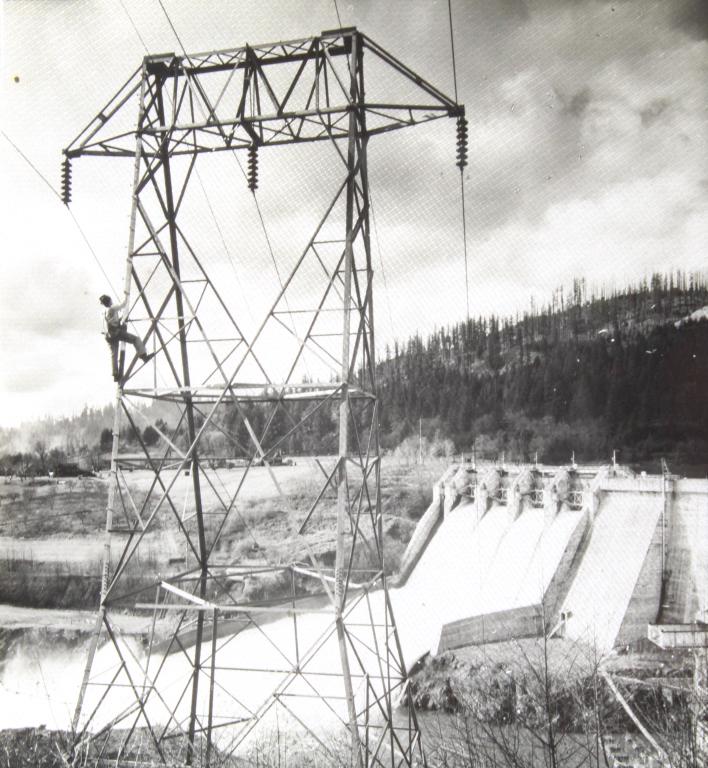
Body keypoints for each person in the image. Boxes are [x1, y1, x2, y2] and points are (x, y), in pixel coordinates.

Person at [99, 294, 153, 363]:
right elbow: (124, 304)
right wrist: (127, 295)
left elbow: (110, 322)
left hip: (108, 335)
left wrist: (120, 319)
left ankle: (115, 372)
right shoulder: (112, 308)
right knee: (135, 339)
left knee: (114, 354)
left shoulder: (104, 312)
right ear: (109, 301)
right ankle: (144, 356)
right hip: (115, 333)